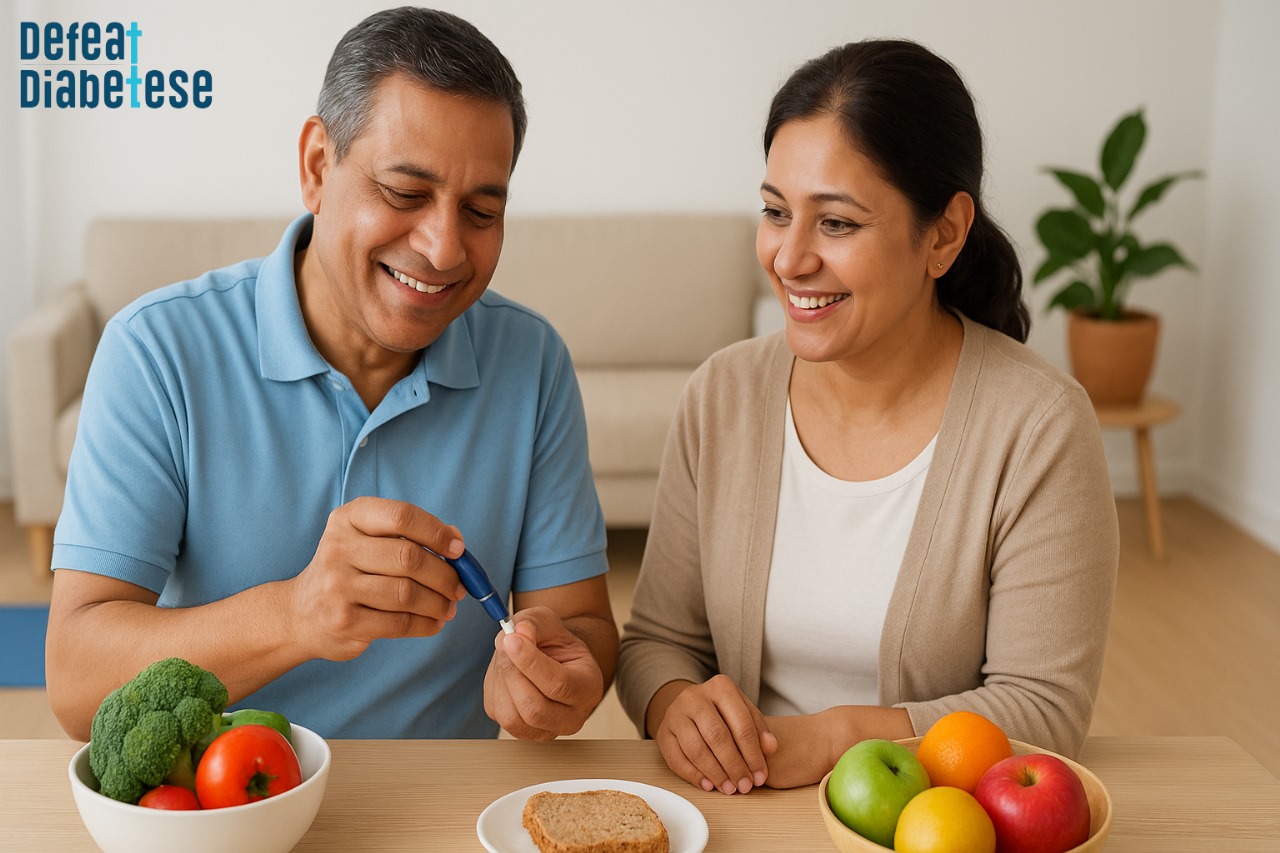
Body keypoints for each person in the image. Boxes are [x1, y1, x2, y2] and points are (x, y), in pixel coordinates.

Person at [46, 7, 618, 743]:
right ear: (318, 166)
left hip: (443, 808)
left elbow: (583, 626)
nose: (444, 248)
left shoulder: (532, 361)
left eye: (480, 209)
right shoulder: (156, 351)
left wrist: (565, 680)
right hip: (231, 810)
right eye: (405, 193)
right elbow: (72, 682)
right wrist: (295, 615)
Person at [616, 39, 1119, 795]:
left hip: (933, 826)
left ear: (944, 233)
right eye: (776, 212)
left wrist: (835, 736)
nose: (788, 257)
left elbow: (1043, 710)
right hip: (741, 812)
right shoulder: (722, 394)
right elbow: (657, 641)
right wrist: (675, 703)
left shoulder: (1039, 426)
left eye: (838, 224)